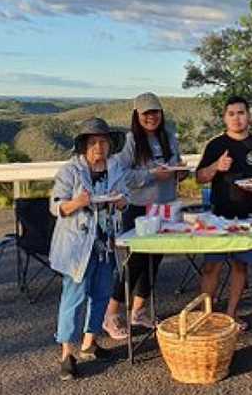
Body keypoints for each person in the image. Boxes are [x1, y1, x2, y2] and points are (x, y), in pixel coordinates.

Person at [49, 117, 158, 381]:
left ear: (110, 145)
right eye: (93, 142)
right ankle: (66, 353)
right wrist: (78, 202)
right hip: (77, 246)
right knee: (73, 299)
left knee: (100, 295)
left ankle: (89, 343)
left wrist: (121, 202)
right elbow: (56, 207)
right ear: (84, 146)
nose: (99, 147)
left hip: (106, 244)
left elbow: (124, 198)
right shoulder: (70, 171)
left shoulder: (114, 169)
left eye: (104, 142)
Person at [103, 92, 182, 339]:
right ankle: (111, 313)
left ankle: (139, 311)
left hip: (165, 206)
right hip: (139, 208)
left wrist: (179, 172)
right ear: (137, 115)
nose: (151, 117)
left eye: (155, 112)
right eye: (146, 113)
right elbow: (120, 175)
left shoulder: (168, 137)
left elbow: (176, 164)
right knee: (135, 261)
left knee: (153, 261)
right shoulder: (131, 141)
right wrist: (150, 175)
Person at [195, 96, 252, 331]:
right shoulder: (216, 145)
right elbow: (199, 177)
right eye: (231, 114)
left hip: (250, 217)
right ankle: (205, 316)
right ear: (225, 118)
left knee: (241, 266)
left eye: (241, 113)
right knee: (212, 267)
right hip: (219, 216)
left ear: (248, 116)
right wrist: (216, 167)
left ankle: (232, 315)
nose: (236, 118)